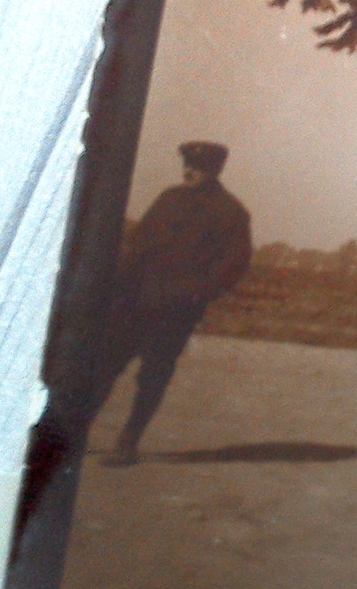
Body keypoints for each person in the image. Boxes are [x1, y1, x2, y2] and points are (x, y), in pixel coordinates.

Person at [92, 141, 252, 466]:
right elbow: (138, 243)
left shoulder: (231, 212)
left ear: (215, 171)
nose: (190, 172)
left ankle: (128, 442)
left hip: (175, 311)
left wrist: (197, 293)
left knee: (153, 376)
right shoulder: (169, 199)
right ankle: (76, 432)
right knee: (105, 367)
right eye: (188, 166)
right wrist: (118, 286)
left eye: (199, 168)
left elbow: (234, 264)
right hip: (136, 302)